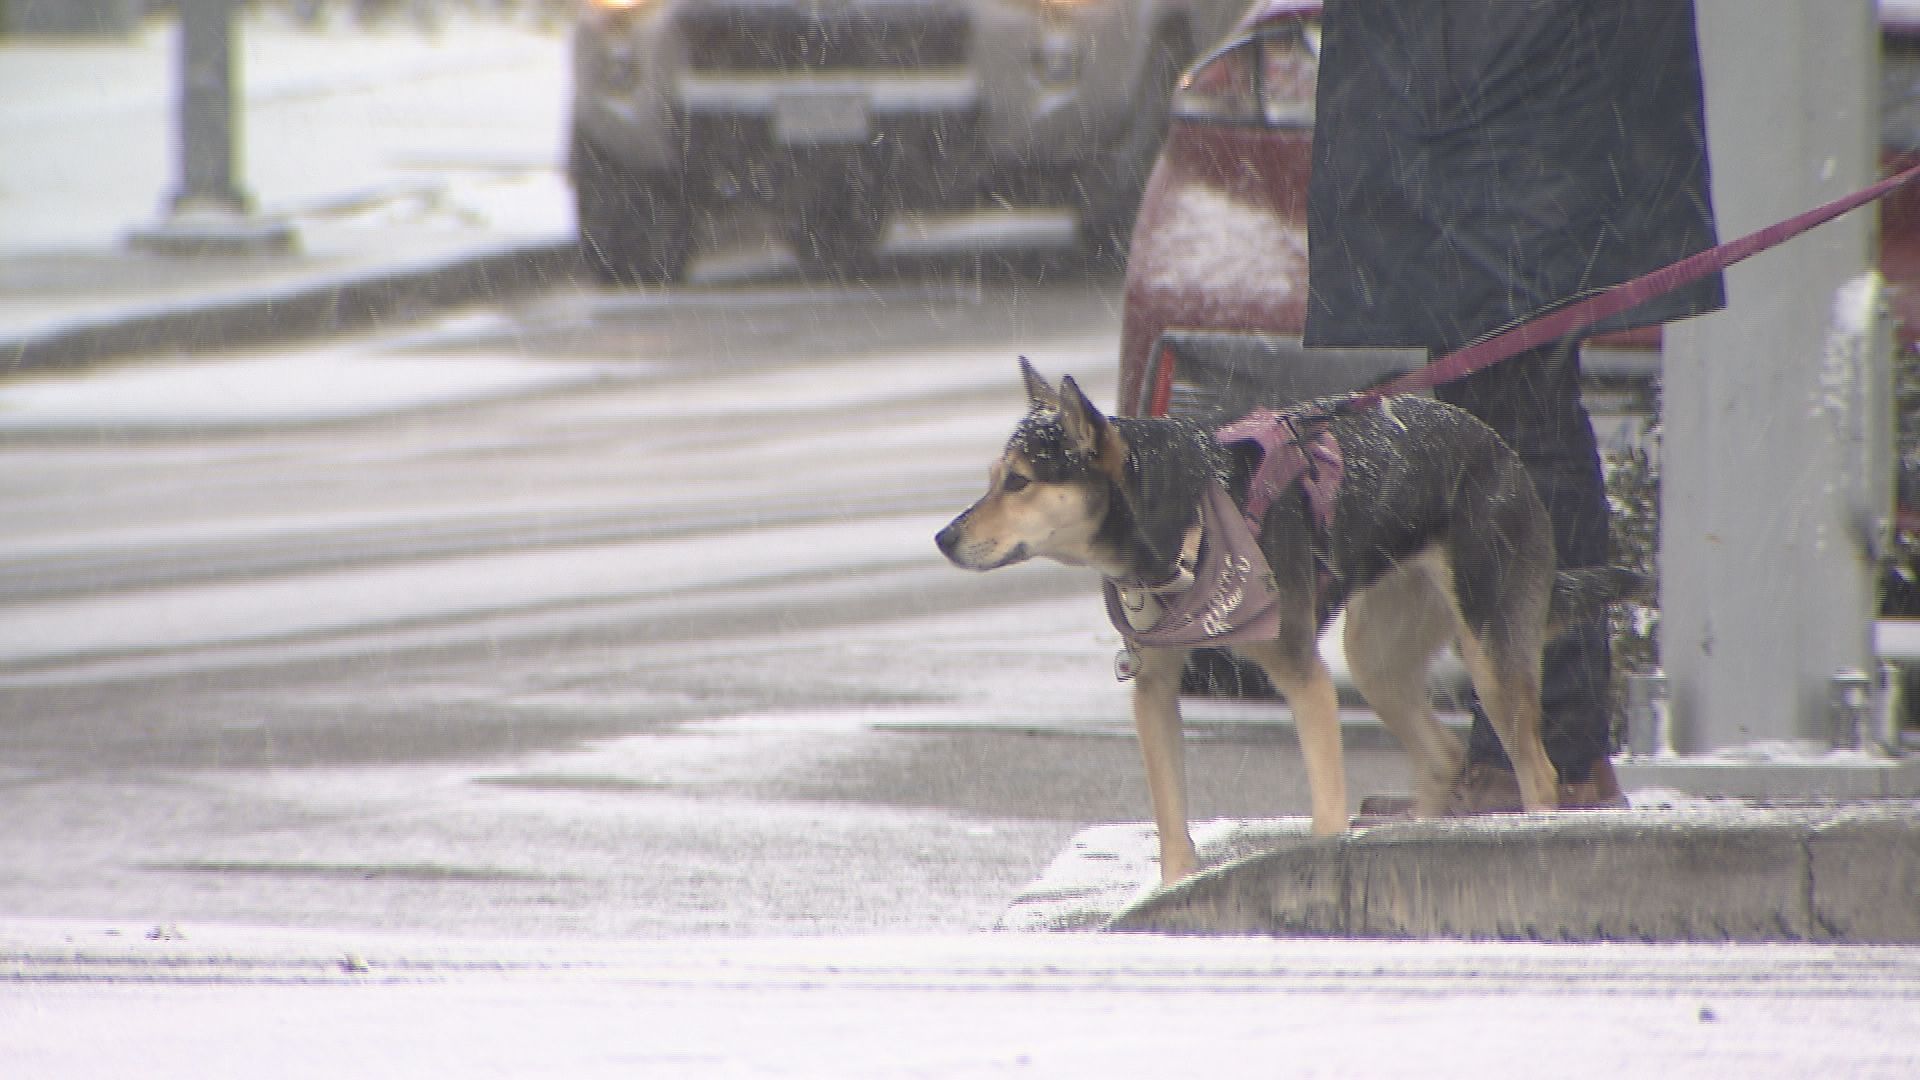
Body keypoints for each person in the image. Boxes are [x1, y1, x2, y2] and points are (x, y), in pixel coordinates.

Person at [1303, 0, 1725, 810]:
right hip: (1470, 80)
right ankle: (1535, 751)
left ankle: (1550, 756)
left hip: (1505, 85)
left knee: (1512, 416)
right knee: (1484, 411)